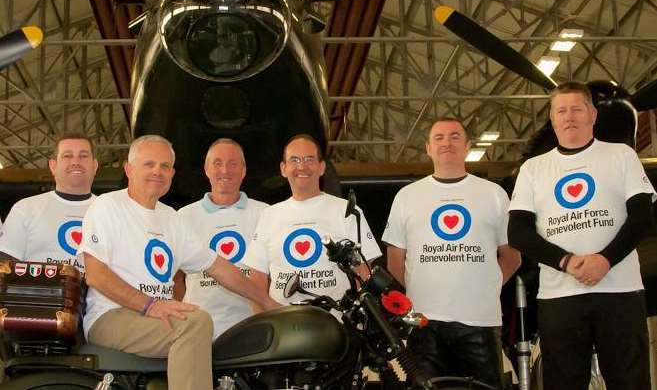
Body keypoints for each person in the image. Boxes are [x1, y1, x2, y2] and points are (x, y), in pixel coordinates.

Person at [77, 135, 279, 390]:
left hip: (153, 317)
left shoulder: (171, 219)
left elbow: (218, 267)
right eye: (148, 164)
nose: (157, 172)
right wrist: (150, 306)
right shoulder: (108, 206)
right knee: (195, 323)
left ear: (172, 173)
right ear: (129, 169)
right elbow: (95, 275)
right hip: (110, 315)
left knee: (198, 322)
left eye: (164, 166)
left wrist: (267, 301)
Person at [508, 81, 655, 390]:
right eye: (561, 110)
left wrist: (606, 260)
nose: (569, 116)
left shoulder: (621, 156)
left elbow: (642, 216)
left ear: (593, 115)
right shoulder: (533, 169)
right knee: (562, 381)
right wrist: (565, 261)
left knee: (631, 380)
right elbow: (517, 231)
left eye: (577, 109)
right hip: (560, 297)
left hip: (620, 293)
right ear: (552, 119)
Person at [383, 118, 520, 388]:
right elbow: (395, 260)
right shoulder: (407, 196)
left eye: (455, 136)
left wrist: (486, 286)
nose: (447, 143)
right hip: (424, 324)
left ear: (468, 146)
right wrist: (417, 295)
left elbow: (512, 256)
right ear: (428, 148)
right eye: (439, 138)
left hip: (480, 322)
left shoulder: (494, 194)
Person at [242, 134, 381, 306]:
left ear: (322, 167)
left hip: (336, 324)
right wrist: (263, 325)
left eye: (309, 159)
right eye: (294, 160)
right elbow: (256, 277)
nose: (302, 166)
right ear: (283, 168)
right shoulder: (269, 215)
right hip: (283, 326)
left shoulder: (347, 211)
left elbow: (365, 267)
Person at [177, 138, 269, 339]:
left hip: (253, 326)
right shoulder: (183, 217)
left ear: (244, 170)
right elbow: (175, 277)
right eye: (217, 163)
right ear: (206, 169)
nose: (225, 171)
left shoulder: (266, 213)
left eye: (233, 163)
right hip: (199, 328)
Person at [0, 132, 98, 270]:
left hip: (96, 292)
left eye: (83, 156)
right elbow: (5, 266)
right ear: (53, 166)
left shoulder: (111, 212)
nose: (75, 162)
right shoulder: (25, 208)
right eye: (67, 156)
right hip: (36, 291)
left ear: (95, 166)